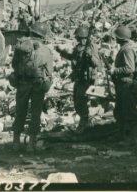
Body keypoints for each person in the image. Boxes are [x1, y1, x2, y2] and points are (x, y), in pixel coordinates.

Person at [11, 22, 53, 152]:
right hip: (37, 85)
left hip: (22, 83)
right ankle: (31, 144)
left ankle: (16, 142)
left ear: (32, 32)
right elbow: (49, 71)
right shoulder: (46, 50)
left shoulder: (22, 45)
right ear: (42, 35)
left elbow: (14, 65)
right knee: (35, 114)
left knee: (20, 112)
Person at [55, 26, 102, 133]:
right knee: (77, 101)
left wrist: (90, 56)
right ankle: (85, 122)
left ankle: (84, 123)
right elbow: (73, 57)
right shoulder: (79, 47)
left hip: (87, 79)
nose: (76, 39)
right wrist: (61, 52)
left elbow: (98, 64)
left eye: (78, 37)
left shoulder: (91, 47)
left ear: (82, 37)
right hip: (78, 77)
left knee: (81, 101)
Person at [110, 25, 137, 146]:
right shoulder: (126, 47)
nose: (115, 39)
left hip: (127, 84)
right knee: (120, 110)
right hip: (123, 84)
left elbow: (129, 68)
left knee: (129, 112)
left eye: (116, 37)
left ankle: (131, 138)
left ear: (121, 38)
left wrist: (114, 71)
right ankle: (121, 135)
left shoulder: (127, 49)